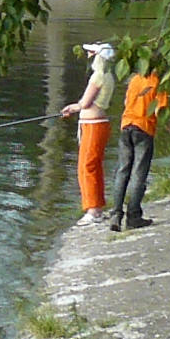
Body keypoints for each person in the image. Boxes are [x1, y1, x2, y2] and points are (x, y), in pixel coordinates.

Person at [61, 40, 119, 227]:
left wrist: (72, 107)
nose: (89, 56)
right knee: (93, 166)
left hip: (94, 125)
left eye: (92, 53)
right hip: (94, 124)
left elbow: (85, 103)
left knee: (87, 167)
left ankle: (93, 211)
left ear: (99, 57)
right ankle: (97, 207)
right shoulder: (108, 76)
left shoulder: (98, 76)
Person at [111, 57, 170, 231]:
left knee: (122, 171)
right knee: (138, 173)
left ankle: (115, 214)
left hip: (126, 126)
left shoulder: (135, 79)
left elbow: (126, 103)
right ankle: (133, 216)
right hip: (143, 129)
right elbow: (160, 110)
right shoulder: (158, 83)